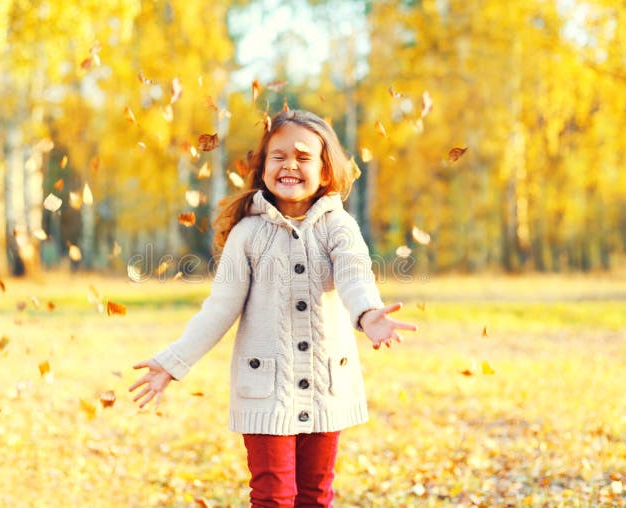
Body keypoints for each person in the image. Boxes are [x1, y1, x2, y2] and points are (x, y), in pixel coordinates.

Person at [129, 109, 417, 507]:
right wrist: (173, 361)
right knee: (273, 496)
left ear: (326, 169)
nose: (289, 165)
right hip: (265, 388)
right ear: (263, 167)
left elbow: (355, 275)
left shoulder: (339, 226)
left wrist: (369, 315)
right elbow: (220, 307)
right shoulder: (248, 234)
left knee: (316, 496)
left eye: (303, 156)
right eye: (278, 156)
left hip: (324, 385)